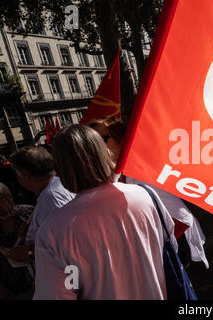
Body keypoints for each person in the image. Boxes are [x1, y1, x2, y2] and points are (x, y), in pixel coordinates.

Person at [33, 125, 172, 299]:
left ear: (61, 169)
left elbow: (60, 293)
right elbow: (167, 245)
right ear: (104, 153)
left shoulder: (52, 232)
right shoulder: (146, 196)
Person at [89, 117, 209, 269]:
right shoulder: (104, 177)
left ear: (120, 137)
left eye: (103, 139)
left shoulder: (141, 168)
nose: (97, 146)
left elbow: (176, 215)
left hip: (170, 243)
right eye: (93, 143)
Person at [8, 146, 75, 262]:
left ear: (25, 174)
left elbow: (71, 242)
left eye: (17, 174)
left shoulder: (52, 197)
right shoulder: (53, 189)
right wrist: (32, 233)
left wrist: (29, 253)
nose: (18, 179)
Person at [0, 182, 34, 299]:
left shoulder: (28, 214)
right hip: (10, 284)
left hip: (34, 280)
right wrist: (1, 288)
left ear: (8, 197)